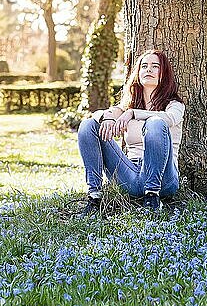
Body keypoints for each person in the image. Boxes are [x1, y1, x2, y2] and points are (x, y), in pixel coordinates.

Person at [77, 49, 185, 214]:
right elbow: (97, 114)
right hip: (131, 175)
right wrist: (107, 118)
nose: (148, 70)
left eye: (155, 66)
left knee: (155, 123)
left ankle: (152, 198)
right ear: (138, 73)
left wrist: (133, 113)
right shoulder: (127, 106)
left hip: (164, 178)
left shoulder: (174, 104)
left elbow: (169, 119)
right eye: (144, 66)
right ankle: (94, 196)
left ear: (164, 74)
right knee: (88, 125)